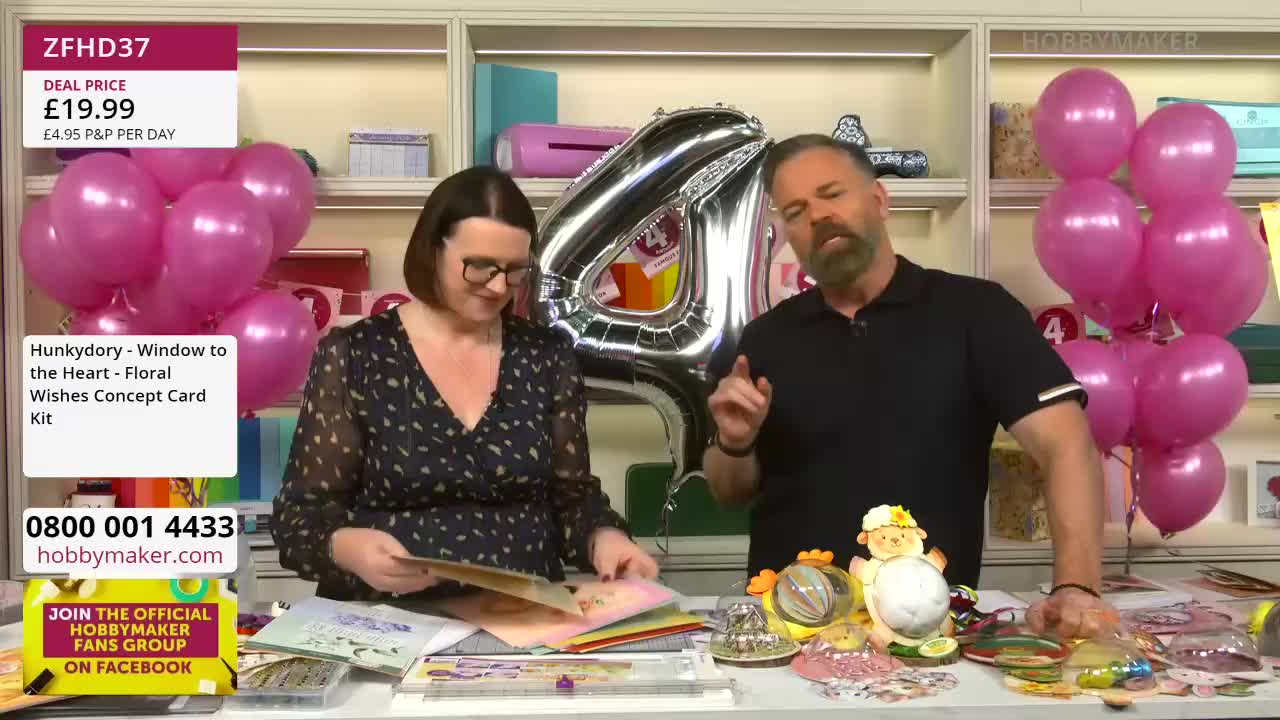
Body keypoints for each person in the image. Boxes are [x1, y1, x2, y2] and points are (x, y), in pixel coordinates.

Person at [702, 134, 1112, 640]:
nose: (818, 216)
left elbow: (1066, 444)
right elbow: (728, 489)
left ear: (879, 200)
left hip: (928, 633)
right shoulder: (763, 338)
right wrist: (735, 443)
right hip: (789, 629)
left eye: (832, 194)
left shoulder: (977, 313)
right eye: (796, 211)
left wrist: (1076, 586)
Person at [272, 166, 658, 600]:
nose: (498, 286)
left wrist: (604, 538)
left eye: (515, 271)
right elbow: (299, 519)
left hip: (523, 615)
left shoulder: (545, 355)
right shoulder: (356, 354)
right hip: (385, 619)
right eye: (480, 267)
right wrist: (347, 548)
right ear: (432, 250)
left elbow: (572, 499)